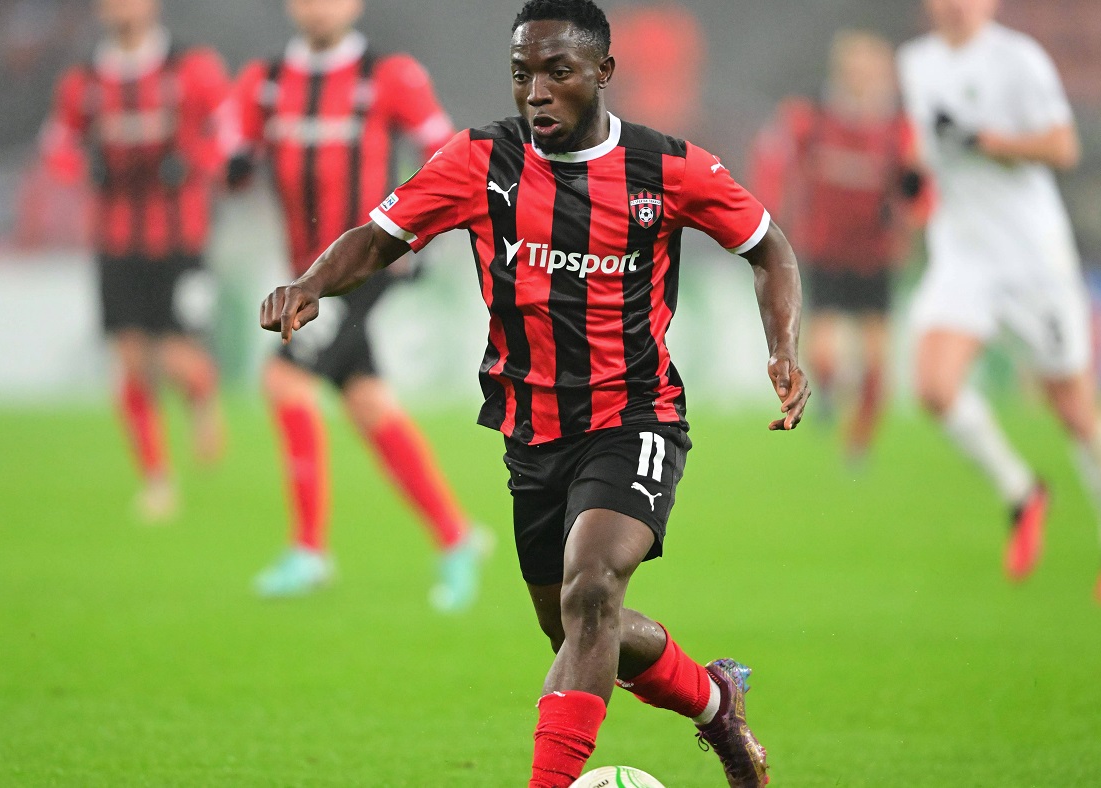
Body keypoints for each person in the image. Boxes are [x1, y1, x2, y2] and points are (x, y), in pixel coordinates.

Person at [259, 1, 808, 783]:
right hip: (532, 433)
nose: (537, 92)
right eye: (523, 75)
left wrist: (782, 348)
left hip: (635, 415)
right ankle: (717, 702)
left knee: (593, 592)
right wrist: (311, 284)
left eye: (558, 73)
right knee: (578, 629)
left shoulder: (667, 168)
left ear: (603, 72)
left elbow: (768, 247)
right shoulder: (479, 160)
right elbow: (380, 237)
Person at [223, 0, 489, 607]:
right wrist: (230, 161)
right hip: (306, 273)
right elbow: (227, 144)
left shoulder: (388, 76)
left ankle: (308, 551)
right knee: (367, 401)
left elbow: (447, 151)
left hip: (364, 265)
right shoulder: (266, 82)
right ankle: (455, 537)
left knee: (284, 379)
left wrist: (425, 228)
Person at [898, 0, 1101, 603]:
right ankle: (1022, 492)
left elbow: (1064, 147)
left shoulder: (1019, 59)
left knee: (1074, 407)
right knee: (933, 386)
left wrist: (986, 141)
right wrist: (913, 181)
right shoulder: (917, 62)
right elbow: (926, 150)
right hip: (963, 253)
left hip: (1032, 259)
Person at [40, 0, 228, 522]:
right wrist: (84, 166)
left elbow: (228, 133)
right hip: (116, 240)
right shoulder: (83, 82)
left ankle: (202, 396)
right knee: (130, 358)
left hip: (181, 238)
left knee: (177, 358)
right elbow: (57, 146)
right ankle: (157, 479)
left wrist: (192, 162)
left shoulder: (191, 68)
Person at [751, 30, 931, 466]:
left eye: (870, 71)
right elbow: (772, 160)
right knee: (823, 352)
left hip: (875, 255)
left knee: (876, 361)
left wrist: (914, 215)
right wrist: (767, 217)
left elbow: (921, 189)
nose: (861, 80)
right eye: (854, 70)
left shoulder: (900, 128)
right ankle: (830, 393)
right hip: (825, 250)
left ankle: (858, 445)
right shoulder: (811, 116)